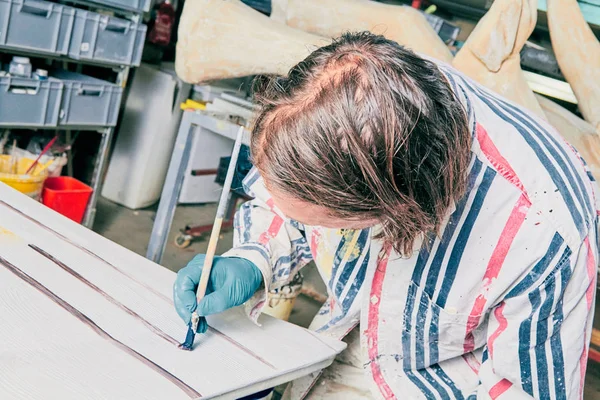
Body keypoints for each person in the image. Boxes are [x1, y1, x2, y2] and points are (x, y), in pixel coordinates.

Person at [173, 32, 599, 399]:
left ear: (393, 214)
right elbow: (289, 195)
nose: (303, 223)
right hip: (343, 339)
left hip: (441, 382)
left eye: (320, 223)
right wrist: (253, 256)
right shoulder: (360, 87)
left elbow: (522, 390)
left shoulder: (544, 232)